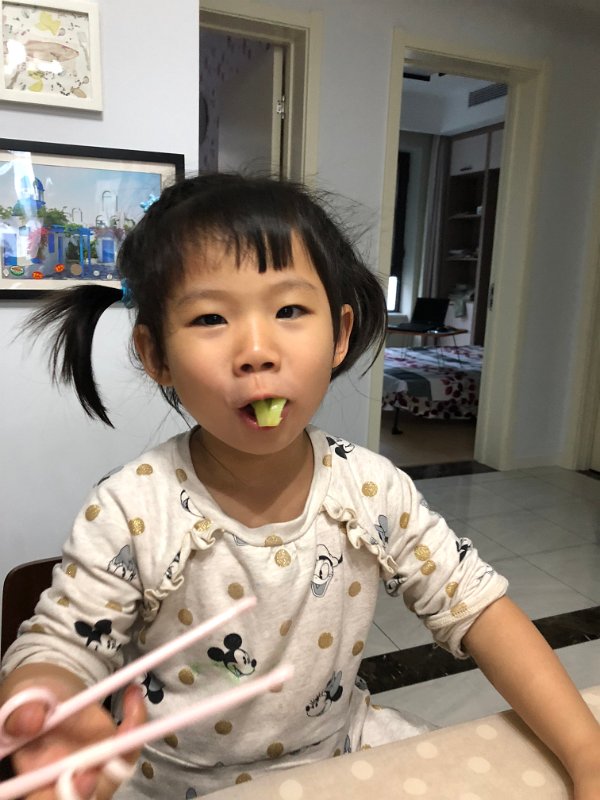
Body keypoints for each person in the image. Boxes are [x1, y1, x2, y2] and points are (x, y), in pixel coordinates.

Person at [1, 174, 599, 800]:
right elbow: (59, 648)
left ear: (339, 334)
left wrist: (586, 750)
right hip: (170, 784)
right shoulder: (131, 508)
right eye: (210, 317)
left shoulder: (372, 491)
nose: (257, 351)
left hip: (337, 757)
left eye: (289, 311)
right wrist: (46, 708)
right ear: (157, 357)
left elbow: (480, 610)